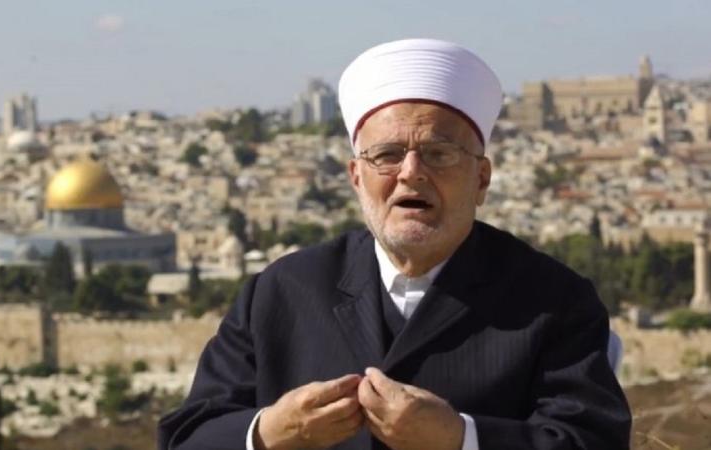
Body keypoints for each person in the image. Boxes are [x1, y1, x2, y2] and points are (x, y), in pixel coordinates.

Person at [158, 38, 631, 450]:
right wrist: (268, 433)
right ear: (356, 177)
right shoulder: (280, 292)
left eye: (439, 153)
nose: (411, 172)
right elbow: (188, 438)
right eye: (386, 155)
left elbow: (592, 440)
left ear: (481, 178)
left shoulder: (554, 301)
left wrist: (460, 439)